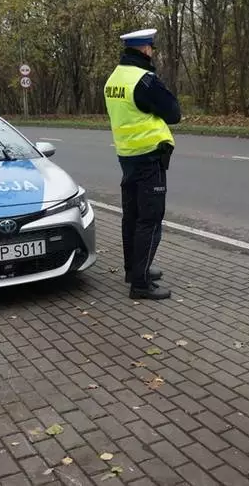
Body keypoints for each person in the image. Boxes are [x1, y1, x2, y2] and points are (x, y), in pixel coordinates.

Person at [103, 28, 181, 300]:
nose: (153, 52)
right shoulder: (144, 80)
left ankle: (133, 270)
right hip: (150, 157)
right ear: (145, 49)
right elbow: (173, 113)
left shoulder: (114, 78)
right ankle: (141, 284)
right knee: (150, 220)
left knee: (132, 218)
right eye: (151, 48)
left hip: (127, 156)